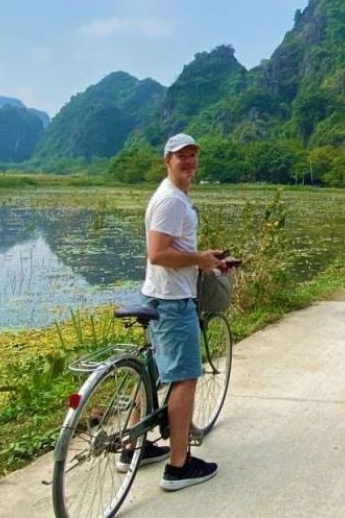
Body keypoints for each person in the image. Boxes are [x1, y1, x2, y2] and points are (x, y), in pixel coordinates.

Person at [136, 133, 230, 491]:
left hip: (159, 295)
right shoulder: (171, 202)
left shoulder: (174, 197)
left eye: (193, 156)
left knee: (154, 371)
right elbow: (157, 253)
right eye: (181, 157)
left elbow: (174, 249)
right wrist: (198, 259)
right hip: (173, 302)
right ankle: (178, 465)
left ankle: (134, 448)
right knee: (185, 377)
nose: (189, 162)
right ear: (167, 161)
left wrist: (206, 259)